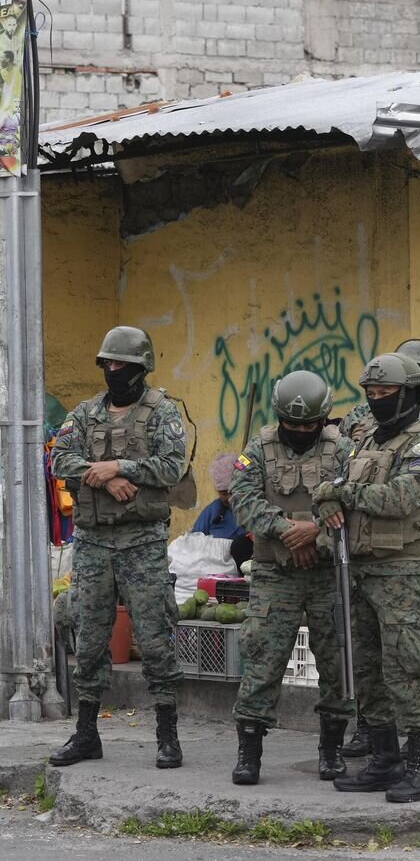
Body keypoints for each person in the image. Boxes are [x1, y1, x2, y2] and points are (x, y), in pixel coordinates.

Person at [49, 326, 186, 769]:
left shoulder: (163, 411)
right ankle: (86, 733)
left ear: (141, 368)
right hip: (91, 542)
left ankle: (167, 734)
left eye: (121, 365)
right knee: (88, 638)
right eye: (107, 364)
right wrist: (105, 472)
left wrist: (121, 464)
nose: (113, 371)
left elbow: (171, 467)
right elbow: (58, 459)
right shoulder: (86, 413)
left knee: (155, 636)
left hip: (141, 542)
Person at [318, 353, 420, 804]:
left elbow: (402, 497)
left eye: (386, 394)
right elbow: (332, 485)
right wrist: (328, 503)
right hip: (360, 568)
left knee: (407, 670)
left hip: (404, 571)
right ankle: (384, 759)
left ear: (410, 394)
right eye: (370, 395)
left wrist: (341, 494)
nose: (376, 402)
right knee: (369, 670)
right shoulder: (369, 439)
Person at [227, 371, 355, 785]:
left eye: (308, 425)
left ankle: (332, 750)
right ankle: (249, 753)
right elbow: (242, 498)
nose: (299, 431)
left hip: (327, 573)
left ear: (323, 419)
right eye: (292, 424)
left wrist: (315, 534)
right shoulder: (259, 448)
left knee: (336, 659)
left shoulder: (343, 449)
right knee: (262, 656)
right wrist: (287, 531)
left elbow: (354, 500)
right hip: (274, 571)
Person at [192, 453, 253, 567]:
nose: (230, 498)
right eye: (224, 493)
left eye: (233, 492)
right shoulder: (212, 511)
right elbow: (195, 542)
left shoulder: (256, 507)